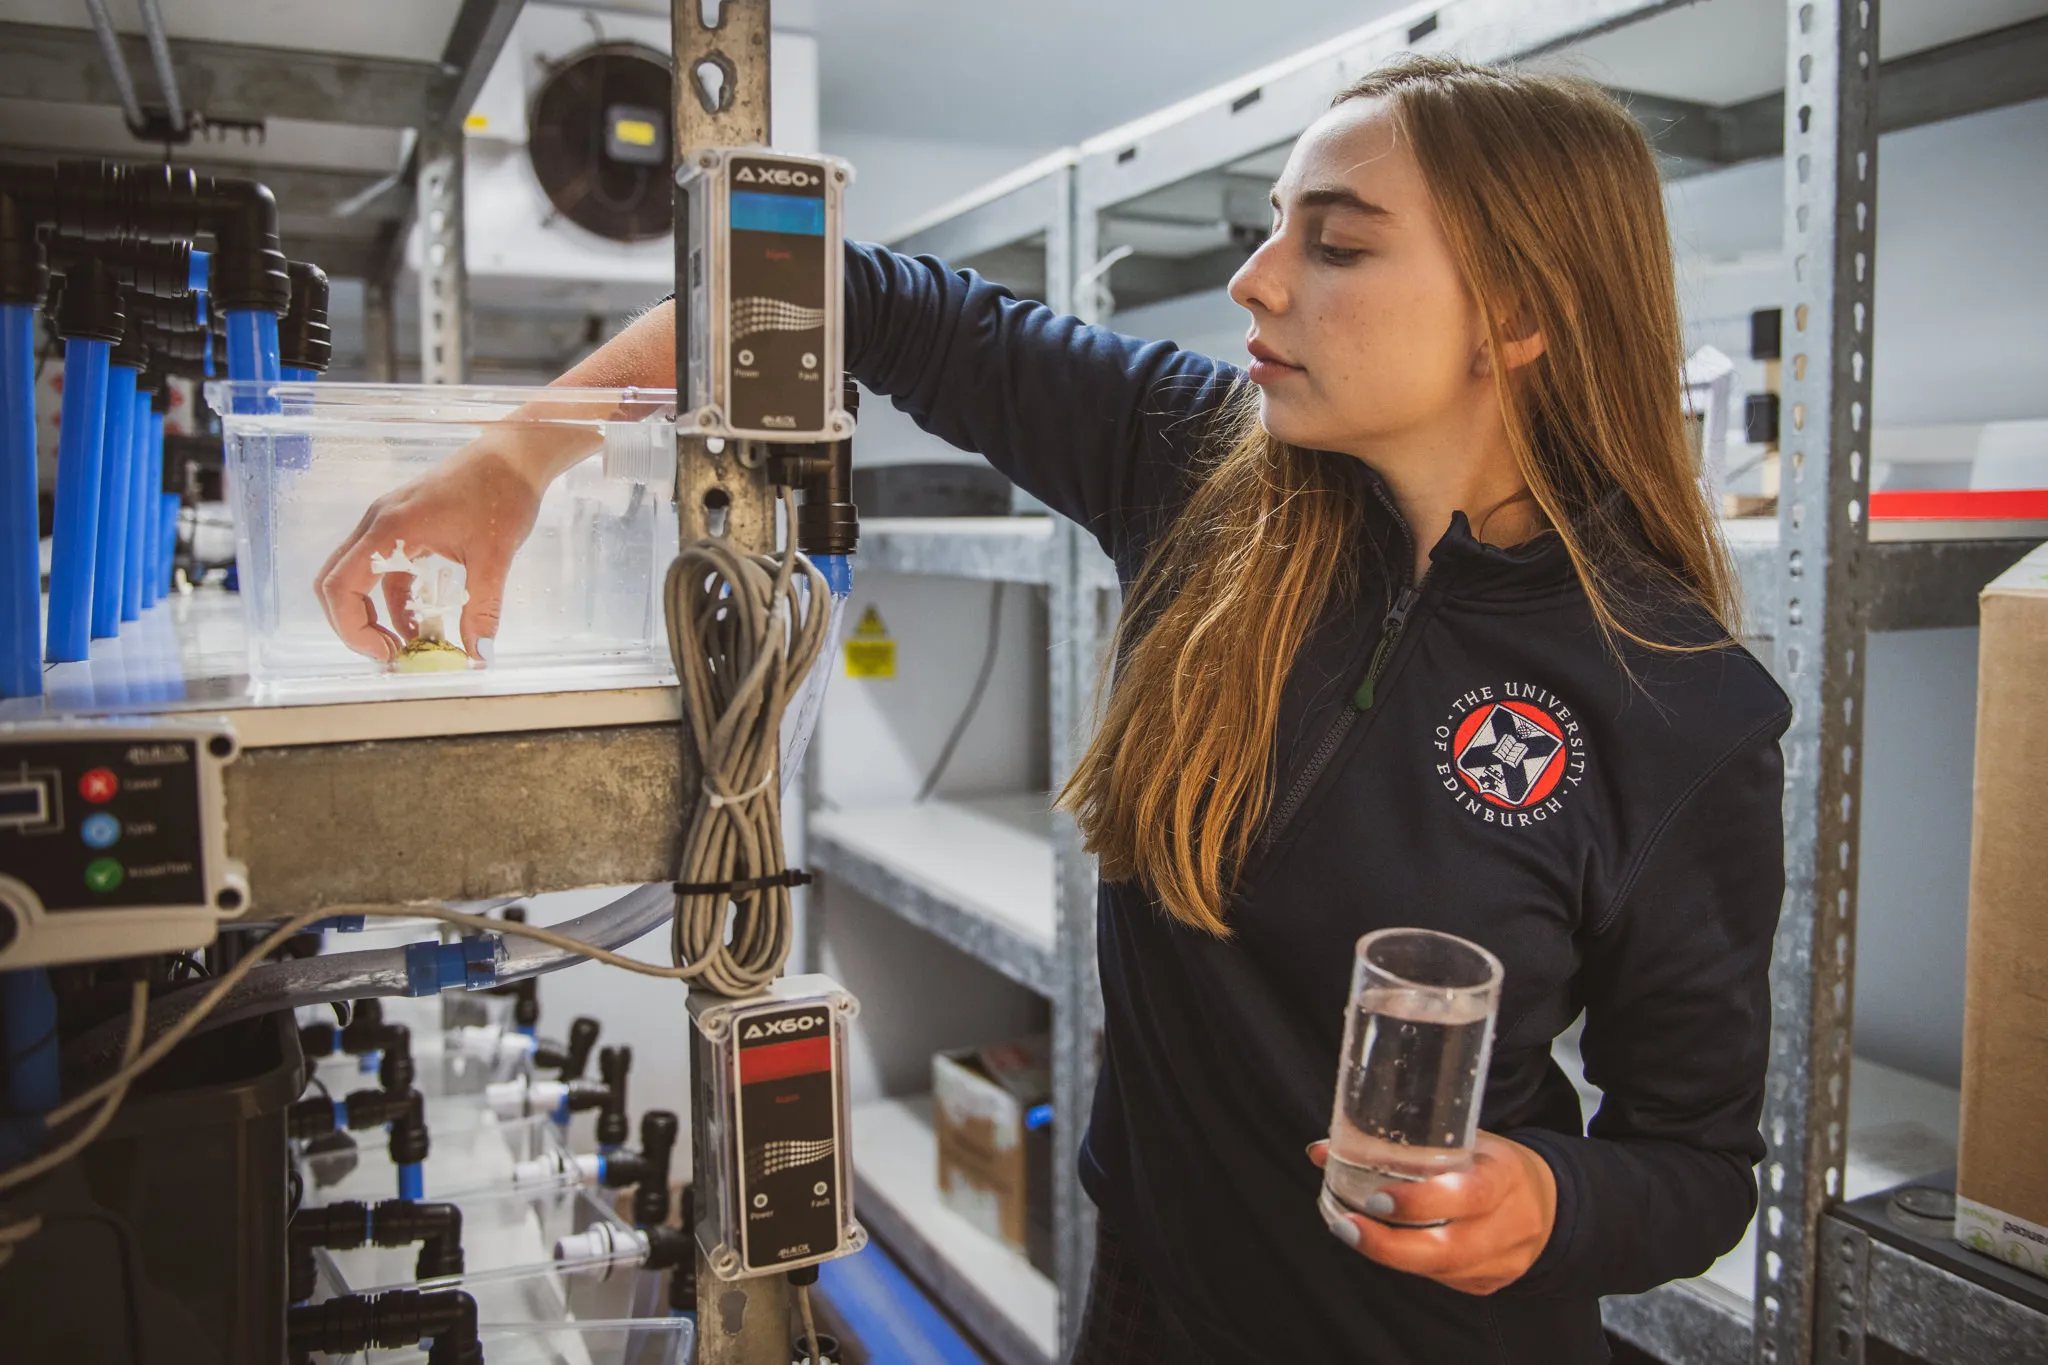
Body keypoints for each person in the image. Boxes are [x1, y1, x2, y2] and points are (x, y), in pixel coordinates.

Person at [322, 55, 1789, 1365]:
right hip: (1149, 1302)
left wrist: (1549, 1197)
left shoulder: (1678, 708)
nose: (1259, 279)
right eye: (1276, 227)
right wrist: (520, 456)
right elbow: (837, 283)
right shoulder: (1205, 477)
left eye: (1334, 243)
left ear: (1524, 315)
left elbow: (1698, 1164)